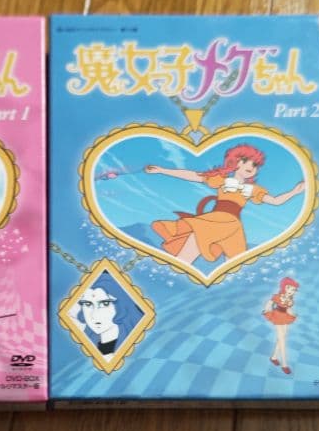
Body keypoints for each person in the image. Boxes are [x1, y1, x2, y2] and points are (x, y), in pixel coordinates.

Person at [145, 143, 305, 265]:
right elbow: (194, 175)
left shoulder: (253, 189)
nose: (250, 167)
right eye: (245, 161)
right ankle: (177, 270)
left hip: (234, 226)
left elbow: (275, 201)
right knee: (195, 239)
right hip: (218, 219)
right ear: (235, 162)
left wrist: (294, 191)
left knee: (235, 265)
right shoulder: (221, 180)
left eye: (254, 164)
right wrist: (163, 170)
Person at [74, 270, 141, 356]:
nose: (94, 315)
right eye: (88, 304)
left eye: (105, 303)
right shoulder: (87, 343)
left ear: (122, 305)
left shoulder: (136, 342)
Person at [263, 276, 299, 374]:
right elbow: (269, 303)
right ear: (284, 287)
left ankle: (274, 357)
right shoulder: (277, 296)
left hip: (285, 317)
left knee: (283, 337)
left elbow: (288, 309)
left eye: (293, 290)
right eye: (289, 288)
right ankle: (284, 364)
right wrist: (266, 310)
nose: (291, 291)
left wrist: (293, 314)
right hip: (277, 316)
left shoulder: (290, 300)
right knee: (282, 340)